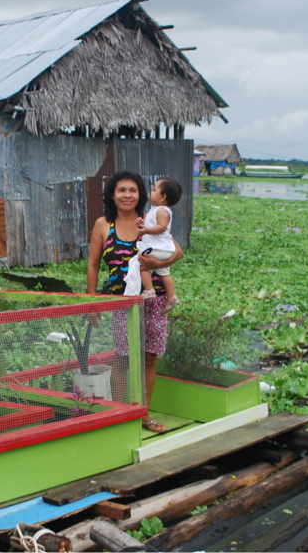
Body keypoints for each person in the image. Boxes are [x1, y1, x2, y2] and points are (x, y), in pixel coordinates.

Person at [86, 171, 183, 433]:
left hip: (154, 298)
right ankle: (120, 414)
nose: (127, 195)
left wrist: (158, 264)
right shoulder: (104, 224)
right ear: (113, 195)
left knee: (150, 358)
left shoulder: (149, 220)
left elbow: (178, 252)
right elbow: (93, 265)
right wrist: (92, 302)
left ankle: (143, 414)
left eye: (133, 190)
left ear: (140, 195)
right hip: (123, 301)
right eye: (121, 190)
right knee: (122, 359)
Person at [136, 178, 182, 313]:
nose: (151, 192)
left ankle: (149, 289)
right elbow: (151, 223)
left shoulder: (161, 210)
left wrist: (146, 230)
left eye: (154, 190)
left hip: (158, 248)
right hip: (164, 249)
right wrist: (142, 222)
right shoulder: (157, 209)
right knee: (164, 273)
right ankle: (172, 296)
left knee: (143, 264)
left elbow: (161, 227)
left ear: (163, 197)